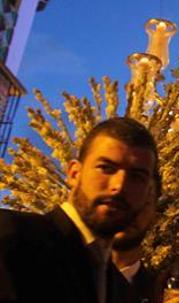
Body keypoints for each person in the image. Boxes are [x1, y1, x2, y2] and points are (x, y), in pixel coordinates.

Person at [0, 116, 159, 303]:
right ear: (74, 173)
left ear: (148, 191)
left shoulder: (118, 287)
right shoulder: (12, 237)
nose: (119, 185)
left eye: (137, 176)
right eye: (106, 168)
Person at [112, 174, 160, 303]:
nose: (130, 211)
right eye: (120, 199)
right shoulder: (59, 278)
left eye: (143, 202)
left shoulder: (159, 295)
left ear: (154, 218)